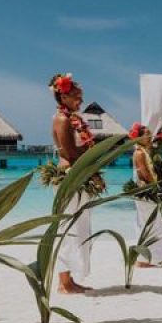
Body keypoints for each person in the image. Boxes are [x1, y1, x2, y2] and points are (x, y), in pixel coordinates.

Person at [49, 73, 102, 294]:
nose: (80, 101)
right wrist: (97, 153)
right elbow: (69, 152)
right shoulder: (62, 119)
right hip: (70, 177)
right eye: (76, 96)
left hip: (79, 175)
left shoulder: (74, 119)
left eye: (81, 96)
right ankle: (64, 283)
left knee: (79, 227)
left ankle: (69, 280)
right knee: (68, 228)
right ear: (64, 96)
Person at [130, 123, 162, 266]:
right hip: (145, 192)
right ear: (139, 137)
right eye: (146, 134)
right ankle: (143, 260)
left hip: (147, 191)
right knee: (149, 223)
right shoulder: (139, 153)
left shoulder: (144, 151)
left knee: (152, 223)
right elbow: (144, 173)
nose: (150, 136)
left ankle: (152, 257)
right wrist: (156, 188)